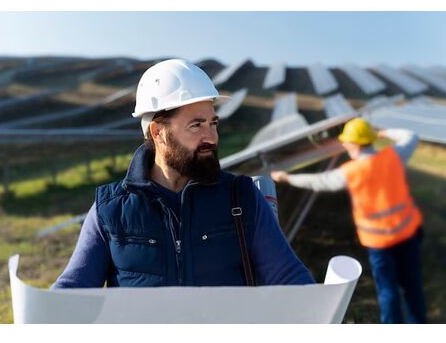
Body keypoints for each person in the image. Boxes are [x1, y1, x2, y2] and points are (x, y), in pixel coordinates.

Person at [52, 59, 314, 289]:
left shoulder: (242, 199)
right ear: (158, 132)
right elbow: (73, 288)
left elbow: (290, 278)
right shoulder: (109, 210)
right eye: (196, 125)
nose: (211, 137)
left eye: (213, 123)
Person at [271, 117, 426, 323]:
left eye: (347, 141)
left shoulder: (352, 172)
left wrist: (287, 178)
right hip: (407, 234)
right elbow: (411, 136)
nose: (344, 145)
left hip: (379, 242)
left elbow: (320, 182)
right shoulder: (393, 156)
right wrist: (383, 133)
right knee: (412, 286)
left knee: (388, 291)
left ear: (354, 144)